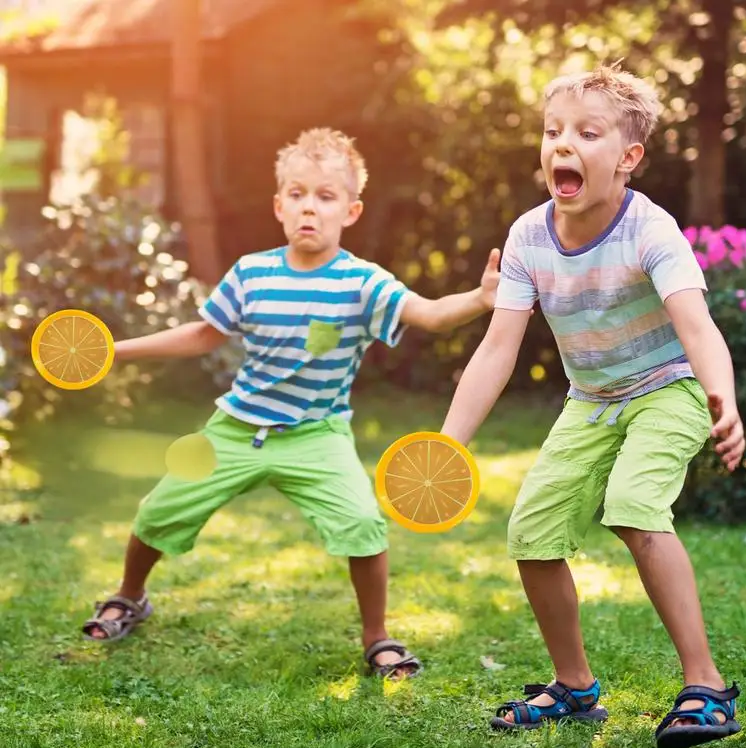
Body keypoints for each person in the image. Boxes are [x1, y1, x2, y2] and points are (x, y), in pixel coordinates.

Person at [82, 127, 501, 681]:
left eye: (325, 197)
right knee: (158, 511)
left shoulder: (361, 282)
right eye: (298, 194)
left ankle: (377, 636)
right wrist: (118, 351)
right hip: (234, 428)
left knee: (363, 524)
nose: (310, 208)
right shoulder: (252, 273)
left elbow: (425, 313)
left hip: (317, 435)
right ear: (279, 205)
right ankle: (128, 596)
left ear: (350, 211)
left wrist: (478, 299)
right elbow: (204, 334)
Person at [439, 64, 746, 748]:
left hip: (670, 387)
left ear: (628, 157)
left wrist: (722, 395)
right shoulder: (527, 238)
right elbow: (497, 349)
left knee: (635, 506)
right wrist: (449, 442)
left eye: (586, 132)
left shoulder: (650, 231)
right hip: (592, 400)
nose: (562, 145)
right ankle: (574, 688)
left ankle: (707, 687)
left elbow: (697, 327)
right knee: (532, 531)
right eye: (552, 132)